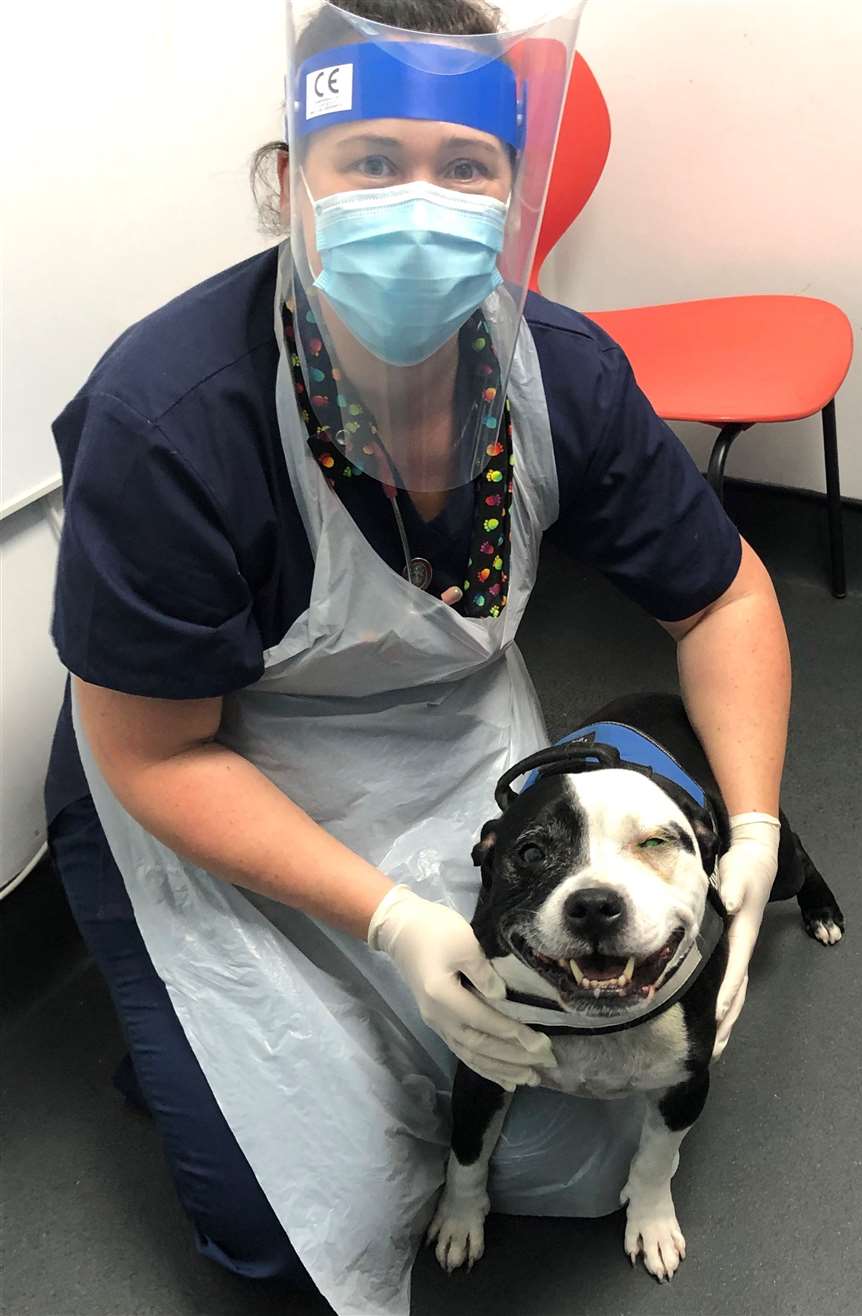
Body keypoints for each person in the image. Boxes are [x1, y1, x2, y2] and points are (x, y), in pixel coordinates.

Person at [44, 1, 791, 1312]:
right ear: (289, 184)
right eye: (371, 161)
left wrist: (756, 828)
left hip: (437, 722)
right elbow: (149, 750)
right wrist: (390, 918)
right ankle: (168, 1026)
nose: (419, 202)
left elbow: (723, 602)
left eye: (464, 166)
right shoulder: (171, 417)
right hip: (193, 758)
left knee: (561, 1144)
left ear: (514, 196)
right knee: (299, 1222)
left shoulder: (558, 376)